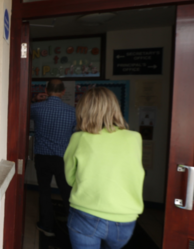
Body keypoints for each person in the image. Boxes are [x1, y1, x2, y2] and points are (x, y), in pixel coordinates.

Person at [64, 87, 144, 249]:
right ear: (115, 108)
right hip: (125, 218)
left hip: (85, 214)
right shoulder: (134, 138)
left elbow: (70, 179)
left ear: (82, 111)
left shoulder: (78, 138)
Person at [30, 79, 76, 237]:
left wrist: (35, 100)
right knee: (67, 192)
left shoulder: (35, 108)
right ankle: (74, 228)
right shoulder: (72, 111)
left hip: (42, 157)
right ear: (63, 92)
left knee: (44, 191)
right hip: (63, 158)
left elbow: (24, 114)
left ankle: (47, 226)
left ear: (46, 90)